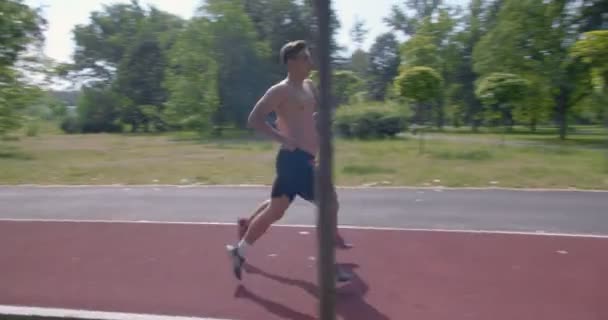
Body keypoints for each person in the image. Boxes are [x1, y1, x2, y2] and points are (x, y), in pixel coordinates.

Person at [226, 40, 352, 282]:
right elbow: (255, 119)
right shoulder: (280, 90)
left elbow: (313, 114)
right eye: (305, 58)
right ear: (291, 62)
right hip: (293, 159)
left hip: (303, 158)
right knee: (330, 204)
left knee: (275, 211)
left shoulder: (309, 86)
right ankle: (328, 268)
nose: (310, 62)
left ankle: (238, 252)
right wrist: (283, 137)